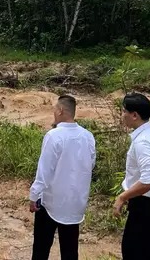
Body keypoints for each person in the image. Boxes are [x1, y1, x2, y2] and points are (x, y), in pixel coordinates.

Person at [28, 94, 96, 260]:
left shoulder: (54, 136)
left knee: (41, 248)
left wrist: (34, 195)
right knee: (70, 250)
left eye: (54, 109)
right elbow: (90, 164)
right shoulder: (87, 136)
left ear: (60, 111)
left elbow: (45, 170)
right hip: (75, 202)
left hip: (51, 202)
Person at [114, 92, 150, 260]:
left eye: (124, 111)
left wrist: (122, 197)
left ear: (134, 115)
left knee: (134, 252)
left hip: (146, 205)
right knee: (148, 251)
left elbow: (148, 181)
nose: (122, 115)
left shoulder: (143, 142)